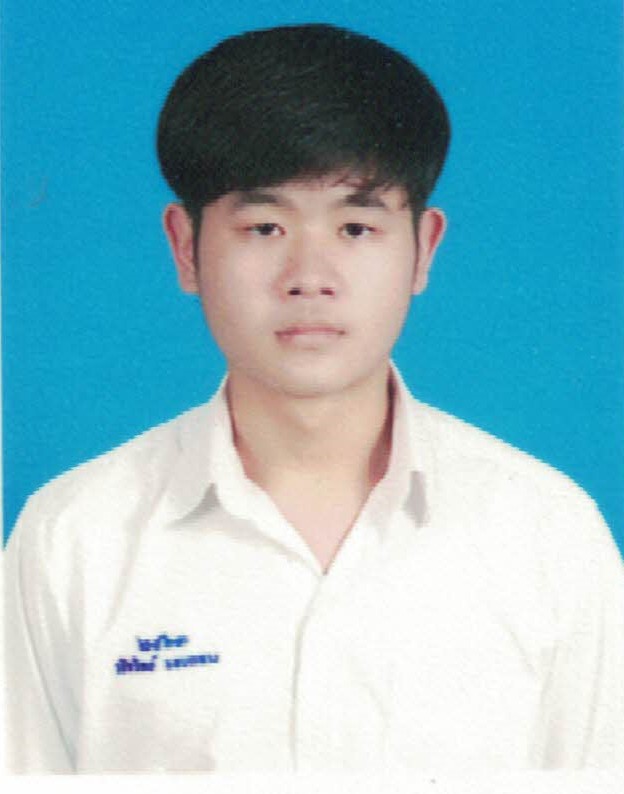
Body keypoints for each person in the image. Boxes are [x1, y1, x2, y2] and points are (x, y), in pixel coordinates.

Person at [4, 23, 623, 774]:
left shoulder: (547, 536)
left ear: (423, 249)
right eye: (264, 227)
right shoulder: (73, 540)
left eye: (356, 227)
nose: (310, 276)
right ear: (186, 247)